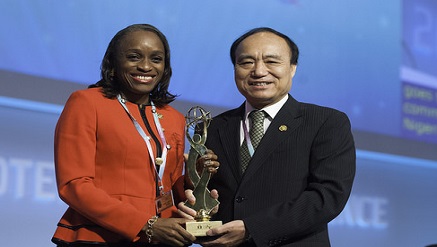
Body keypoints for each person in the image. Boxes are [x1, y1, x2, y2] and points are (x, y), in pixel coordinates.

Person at [181, 27, 356, 246]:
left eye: (272, 62)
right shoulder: (211, 127)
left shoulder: (326, 122)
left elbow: (328, 197)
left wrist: (252, 229)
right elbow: (207, 194)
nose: (259, 71)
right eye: (246, 62)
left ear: (292, 68)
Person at [51, 24, 218, 247]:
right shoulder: (87, 102)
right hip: (100, 236)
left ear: (165, 67)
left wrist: (195, 176)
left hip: (163, 237)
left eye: (156, 59)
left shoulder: (174, 118)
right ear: (113, 63)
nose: (146, 66)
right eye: (134, 57)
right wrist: (145, 223)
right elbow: (74, 184)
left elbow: (166, 186)